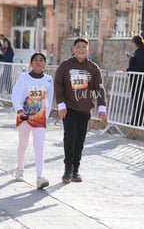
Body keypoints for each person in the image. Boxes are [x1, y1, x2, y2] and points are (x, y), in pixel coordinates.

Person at [54, 37, 107, 183]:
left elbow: (99, 88)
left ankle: (76, 169)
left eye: (84, 47)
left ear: (88, 49)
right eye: (78, 47)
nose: (81, 49)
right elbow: (58, 85)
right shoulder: (65, 66)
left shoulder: (93, 68)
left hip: (85, 110)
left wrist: (102, 107)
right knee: (70, 136)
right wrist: (61, 105)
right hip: (69, 109)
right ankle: (68, 168)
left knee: (80, 139)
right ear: (73, 49)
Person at [12, 52, 54, 189]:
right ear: (31, 63)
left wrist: (45, 116)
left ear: (45, 64)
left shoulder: (48, 79)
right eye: (35, 60)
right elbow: (16, 92)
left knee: (39, 145)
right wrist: (18, 109)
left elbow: (49, 99)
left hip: (39, 118)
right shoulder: (24, 77)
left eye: (41, 60)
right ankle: (20, 169)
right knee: (23, 143)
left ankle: (40, 177)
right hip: (24, 115)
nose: (38, 62)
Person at [126, 35, 144, 126]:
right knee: (137, 99)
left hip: (139, 79)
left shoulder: (141, 52)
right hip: (136, 79)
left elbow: (140, 67)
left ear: (135, 43)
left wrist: (128, 70)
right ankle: (136, 119)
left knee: (138, 99)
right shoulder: (139, 52)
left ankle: (138, 120)